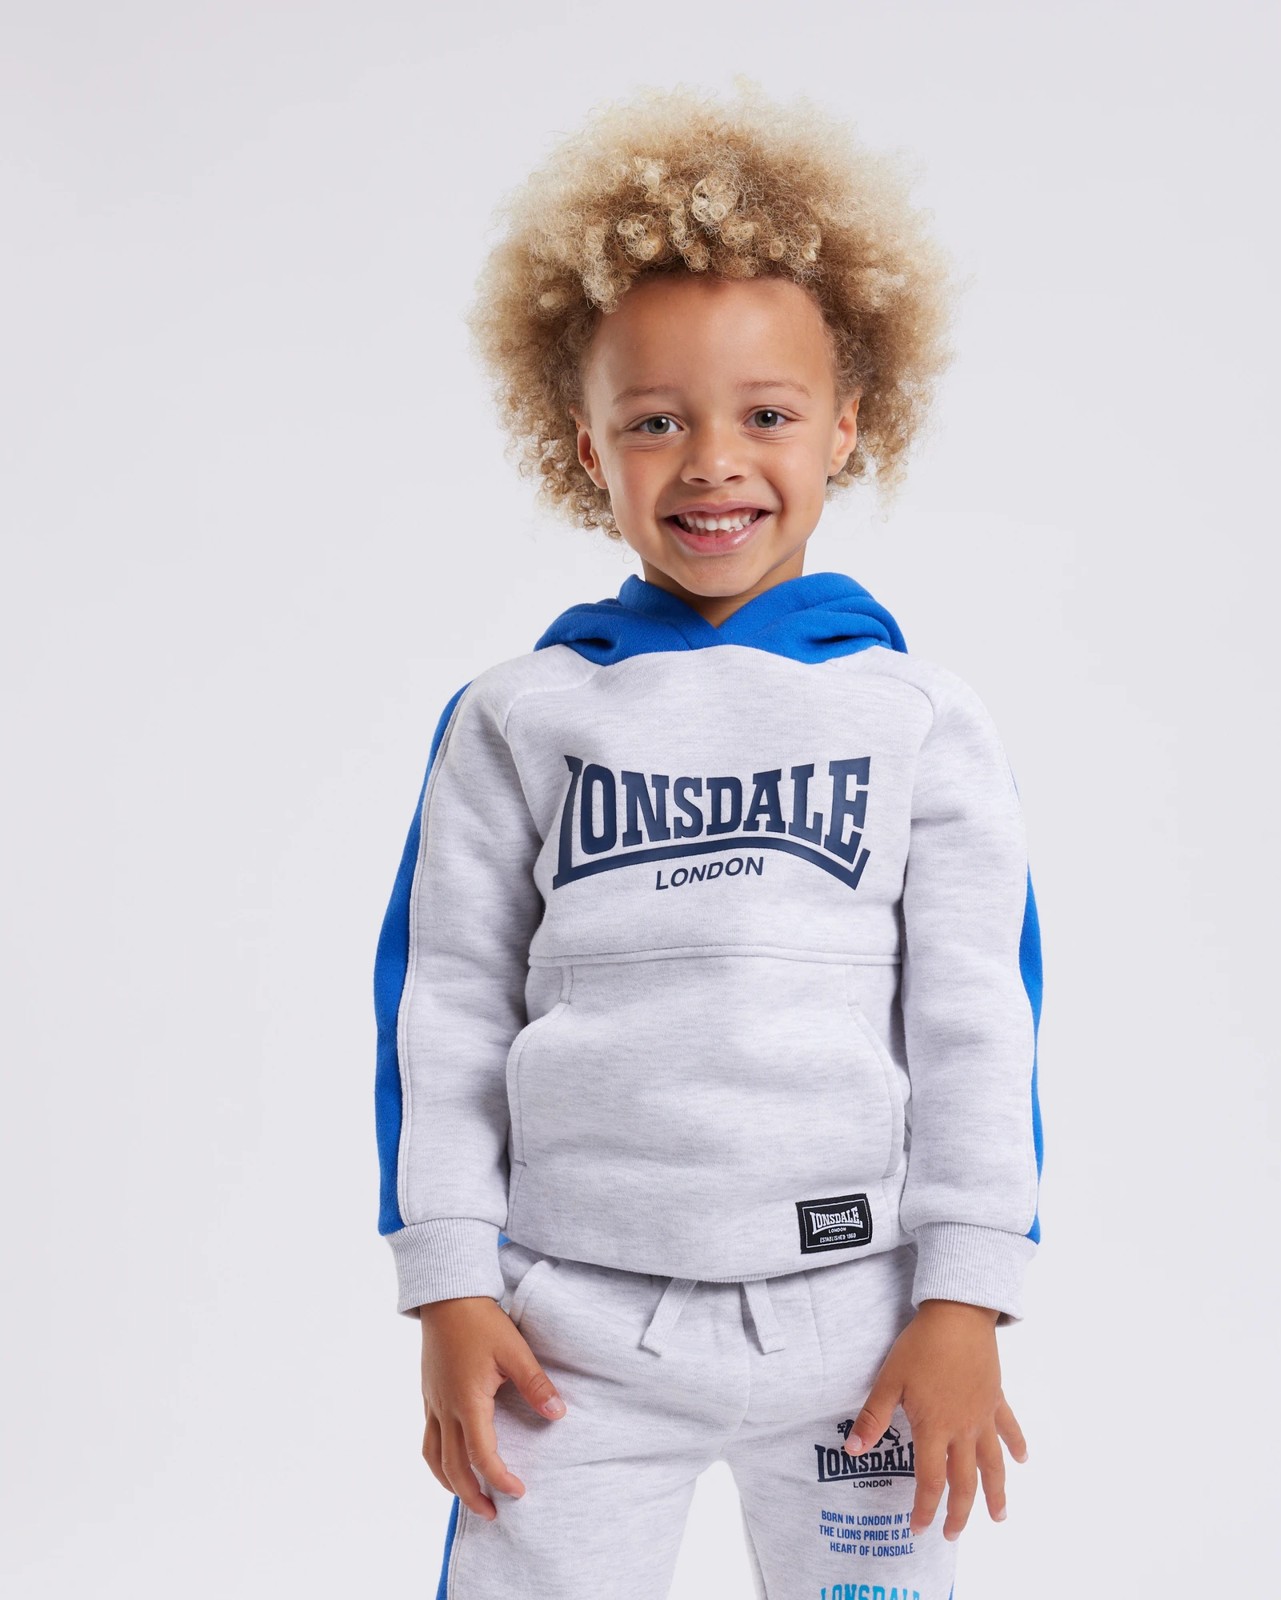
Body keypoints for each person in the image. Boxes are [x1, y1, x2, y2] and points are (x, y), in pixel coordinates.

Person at [373, 77, 1045, 1600]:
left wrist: (968, 1298)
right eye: (656, 421)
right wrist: (448, 1282)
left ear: (848, 426)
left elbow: (976, 1026)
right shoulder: (520, 717)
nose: (712, 462)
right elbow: (445, 1007)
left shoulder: (918, 719)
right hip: (568, 1336)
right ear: (586, 444)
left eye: (767, 415)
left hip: (861, 1323)